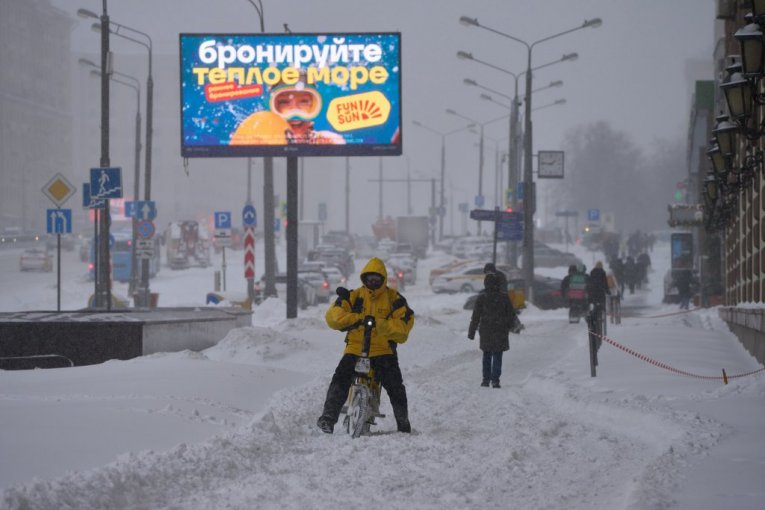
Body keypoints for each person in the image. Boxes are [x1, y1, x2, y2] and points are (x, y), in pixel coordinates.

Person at [317, 257, 415, 434]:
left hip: (384, 351)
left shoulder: (395, 299)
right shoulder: (353, 296)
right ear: (364, 278)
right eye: (369, 278)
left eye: (377, 279)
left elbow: (403, 328)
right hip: (355, 349)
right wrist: (357, 318)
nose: (373, 282)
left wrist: (381, 324)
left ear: (383, 279)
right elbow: (333, 317)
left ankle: (403, 422)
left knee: (395, 387)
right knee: (340, 378)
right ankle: (328, 417)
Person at [467, 273, 519, 388]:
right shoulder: (504, 298)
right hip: (500, 330)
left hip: (486, 330)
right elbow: (511, 315)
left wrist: (471, 332)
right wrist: (510, 326)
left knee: (486, 354)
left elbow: (475, 316)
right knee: (497, 355)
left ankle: (485, 380)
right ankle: (495, 380)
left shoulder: (482, 298)